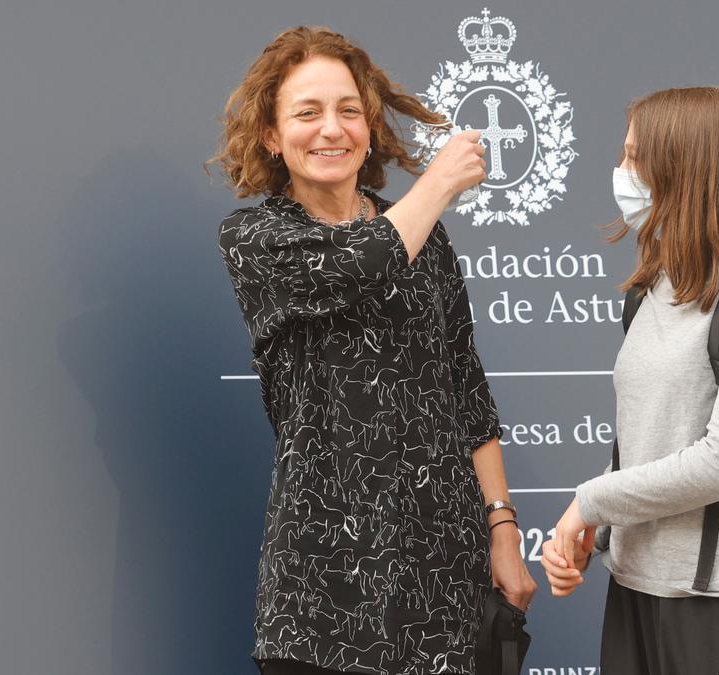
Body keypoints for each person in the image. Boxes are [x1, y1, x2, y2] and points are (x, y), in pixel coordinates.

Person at [211, 26, 536, 675]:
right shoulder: (257, 237)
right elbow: (360, 262)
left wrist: (502, 526)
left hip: (445, 582)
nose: (331, 129)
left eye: (348, 110)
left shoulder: (428, 241)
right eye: (307, 112)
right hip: (325, 596)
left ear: (369, 127)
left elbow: (467, 388)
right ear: (272, 135)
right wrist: (438, 185)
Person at [541, 87, 719, 675]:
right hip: (637, 590)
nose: (620, 171)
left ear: (684, 169)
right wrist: (597, 528)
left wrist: (588, 502)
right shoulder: (654, 291)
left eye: (635, 156)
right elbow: (652, 442)